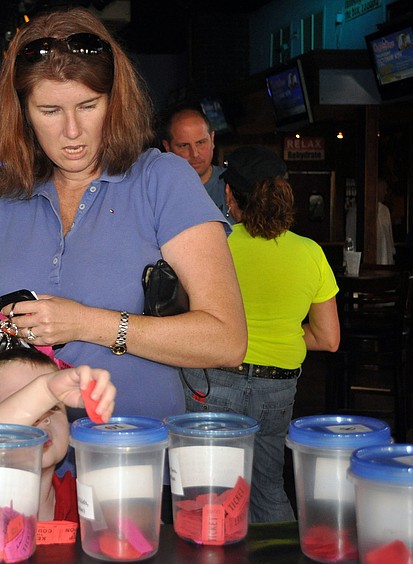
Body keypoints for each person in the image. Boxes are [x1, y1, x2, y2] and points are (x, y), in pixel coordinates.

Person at [0, 7, 246, 426]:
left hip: (129, 461)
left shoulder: (161, 178)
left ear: (114, 102)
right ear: (23, 114)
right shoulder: (7, 201)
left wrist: (86, 323)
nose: (72, 131)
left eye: (88, 105)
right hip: (23, 467)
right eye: (50, 111)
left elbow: (227, 339)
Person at [181, 146, 341, 523]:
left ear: (229, 196)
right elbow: (328, 339)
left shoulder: (213, 247)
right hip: (277, 389)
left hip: (214, 380)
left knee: (210, 497)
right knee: (268, 489)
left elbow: (186, 322)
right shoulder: (311, 253)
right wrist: (281, 330)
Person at [0, 347, 116, 539]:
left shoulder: (82, 496)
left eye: (54, 405)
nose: (42, 415)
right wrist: (46, 391)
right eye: (23, 403)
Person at [162, 107, 233, 222]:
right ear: (167, 148)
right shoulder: (158, 195)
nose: (194, 154)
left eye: (200, 143)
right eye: (183, 146)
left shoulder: (235, 185)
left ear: (212, 139)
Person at [376, 178, 395, 265]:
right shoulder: (356, 211)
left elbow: (389, 237)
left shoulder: (385, 210)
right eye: (383, 189)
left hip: (386, 260)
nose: (385, 192)